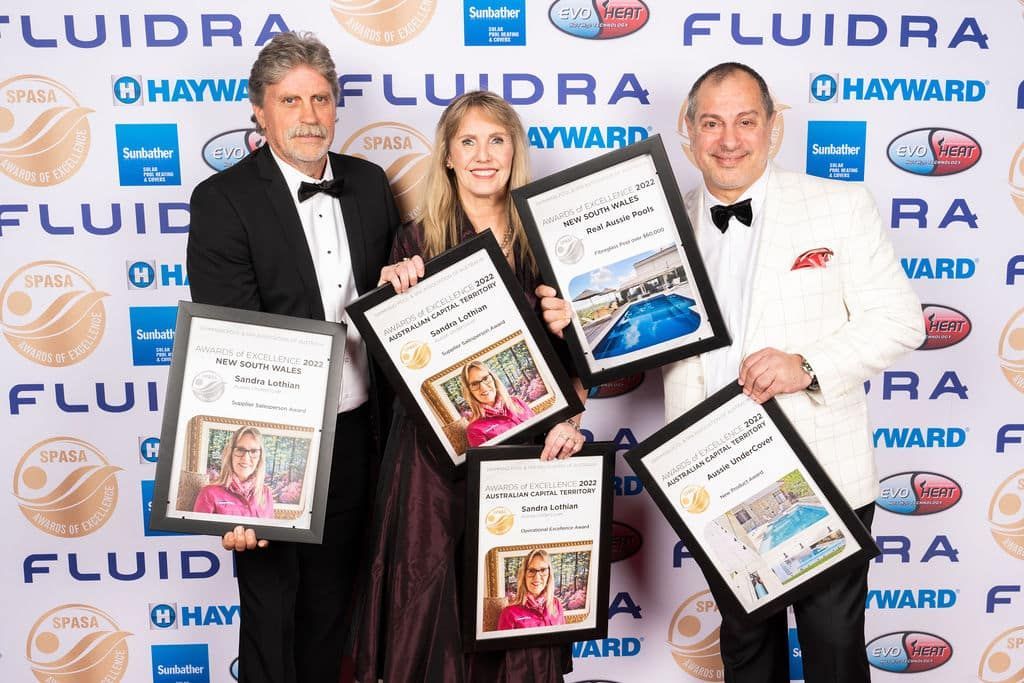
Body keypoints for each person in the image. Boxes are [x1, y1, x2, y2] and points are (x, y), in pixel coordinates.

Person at [538, 62, 924, 683]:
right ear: (687, 131)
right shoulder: (656, 225)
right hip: (715, 479)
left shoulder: (840, 206)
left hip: (824, 476)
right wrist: (574, 320)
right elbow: (623, 338)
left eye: (746, 122)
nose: (728, 140)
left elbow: (904, 322)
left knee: (833, 655)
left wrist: (807, 364)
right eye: (712, 123)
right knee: (746, 654)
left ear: (772, 129)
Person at [185, 31, 399, 683]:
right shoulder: (223, 202)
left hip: (363, 438)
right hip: (271, 453)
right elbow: (229, 349)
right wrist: (239, 500)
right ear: (259, 109)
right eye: (290, 100)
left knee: (337, 620)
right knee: (275, 625)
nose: (309, 115)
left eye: (321, 98)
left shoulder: (368, 184)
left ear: (337, 106)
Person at [352, 90, 586, 683]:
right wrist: (392, 298)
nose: (484, 155)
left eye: (497, 140)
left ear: (514, 151)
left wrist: (573, 409)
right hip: (432, 470)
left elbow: (594, 361)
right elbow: (392, 370)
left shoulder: (549, 240)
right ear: (449, 156)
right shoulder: (415, 243)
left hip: (527, 454)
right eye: (468, 142)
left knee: (518, 619)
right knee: (433, 617)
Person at [193, 426, 274, 518]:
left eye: (254, 451)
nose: (246, 458)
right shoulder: (209, 493)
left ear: (260, 457)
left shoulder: (266, 493)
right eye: (240, 449)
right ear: (230, 454)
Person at [461, 360, 534, 447]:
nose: (483, 388)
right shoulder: (474, 430)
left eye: (485, 378)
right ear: (469, 391)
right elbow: (489, 460)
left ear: (493, 378)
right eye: (474, 384)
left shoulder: (516, 401)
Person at [496, 549, 566, 630]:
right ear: (524, 576)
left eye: (543, 570)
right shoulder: (508, 613)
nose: (537, 577)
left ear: (549, 575)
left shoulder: (556, 604)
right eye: (531, 571)